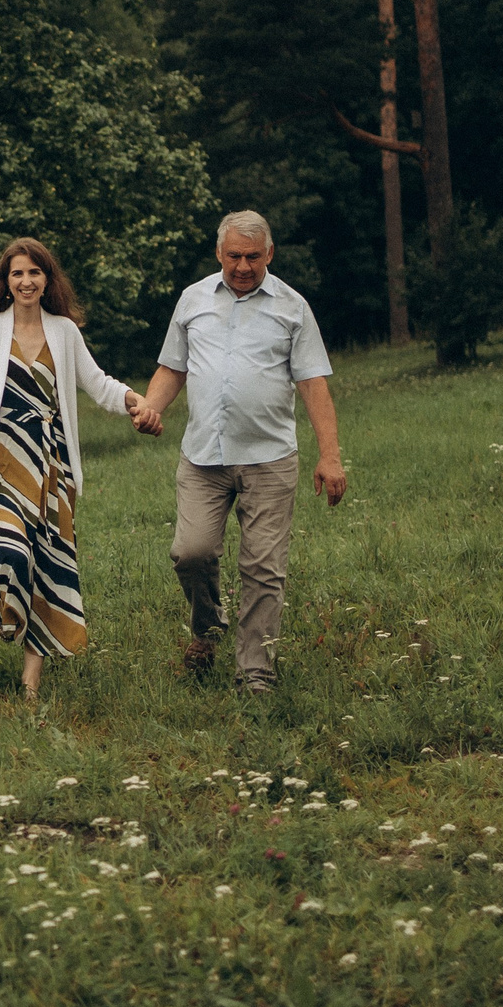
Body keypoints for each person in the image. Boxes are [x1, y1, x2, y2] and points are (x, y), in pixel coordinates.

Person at [130, 209, 347, 694]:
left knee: (263, 568)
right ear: (219, 253)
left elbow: (313, 384)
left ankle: (256, 672)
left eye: (253, 256)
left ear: (269, 254)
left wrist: (329, 455)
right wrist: (151, 408)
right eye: (234, 256)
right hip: (202, 457)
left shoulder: (293, 307)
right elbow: (173, 368)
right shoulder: (193, 300)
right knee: (191, 553)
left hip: (270, 459)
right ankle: (208, 629)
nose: (243, 266)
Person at [0, 237, 140, 700]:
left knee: (46, 562)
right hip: (1, 462)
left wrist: (136, 401)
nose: (26, 281)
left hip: (52, 465)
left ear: (47, 279)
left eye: (34, 272)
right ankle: (7, 614)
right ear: (6, 281)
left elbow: (98, 384)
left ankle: (30, 680)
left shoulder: (64, 331)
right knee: (14, 555)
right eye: (17, 273)